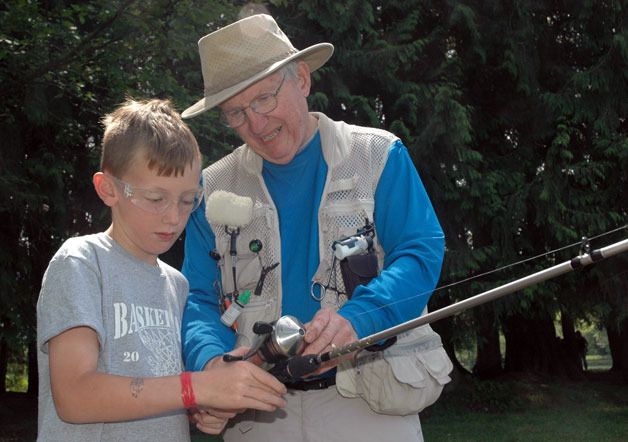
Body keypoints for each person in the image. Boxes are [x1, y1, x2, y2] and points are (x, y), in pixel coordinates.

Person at [181, 14, 447, 441]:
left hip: (367, 400)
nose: (256, 123)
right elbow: (197, 296)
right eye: (235, 112)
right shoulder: (209, 190)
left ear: (302, 79)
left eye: (265, 99)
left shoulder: (379, 155)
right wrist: (212, 365)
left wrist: (359, 318)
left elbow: (419, 251)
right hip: (257, 412)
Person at [36, 98, 286, 442]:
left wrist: (205, 406)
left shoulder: (176, 285)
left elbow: (160, 392)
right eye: (156, 199)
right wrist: (195, 387)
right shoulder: (81, 262)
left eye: (187, 200)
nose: (174, 217)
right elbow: (75, 396)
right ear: (108, 189)